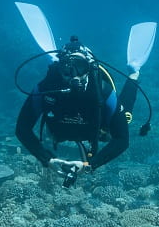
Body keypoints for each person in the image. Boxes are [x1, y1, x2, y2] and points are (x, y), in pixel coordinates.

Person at [16, 36, 142, 186]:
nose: (75, 76)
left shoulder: (102, 91)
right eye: (67, 68)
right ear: (60, 68)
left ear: (88, 67)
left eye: (80, 67)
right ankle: (56, 59)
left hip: (97, 130)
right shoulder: (46, 88)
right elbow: (22, 129)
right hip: (59, 132)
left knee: (125, 117)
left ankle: (133, 73)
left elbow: (122, 139)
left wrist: (90, 165)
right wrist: (47, 160)